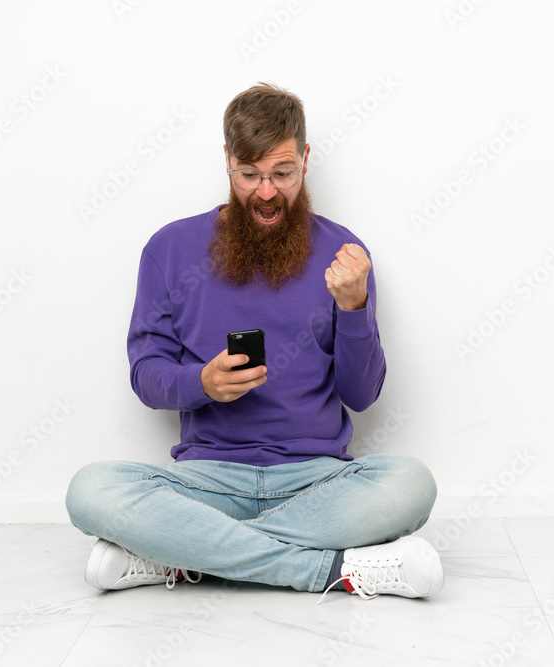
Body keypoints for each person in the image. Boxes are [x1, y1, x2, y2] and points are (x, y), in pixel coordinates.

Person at [65, 83, 442, 601]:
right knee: (90, 490)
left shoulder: (342, 254)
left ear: (305, 160)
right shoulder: (169, 249)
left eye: (282, 173)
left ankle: (176, 557)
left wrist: (354, 308)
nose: (266, 192)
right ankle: (331, 571)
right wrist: (201, 382)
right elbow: (146, 375)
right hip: (207, 483)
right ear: (227, 163)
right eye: (250, 174)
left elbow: (362, 395)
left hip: (318, 484)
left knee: (411, 483)